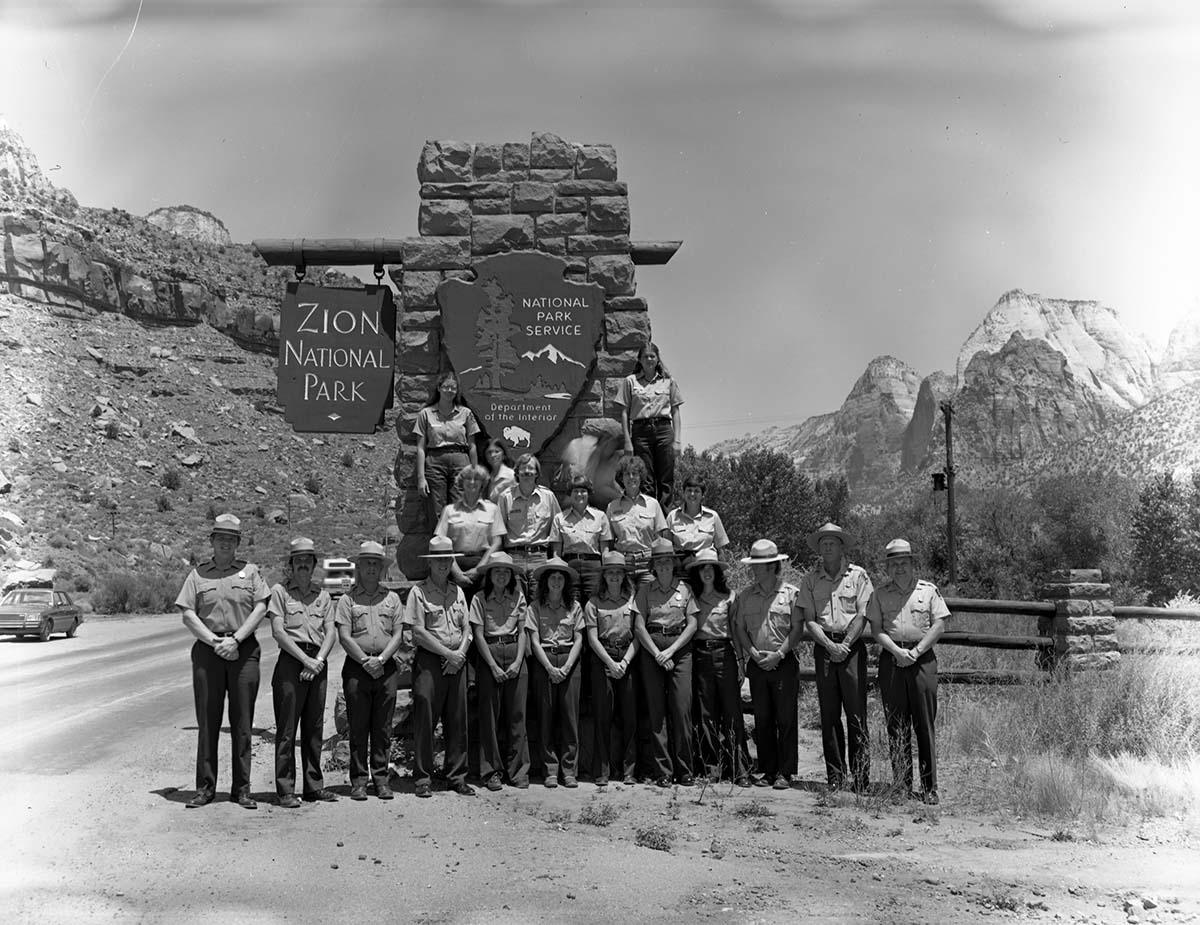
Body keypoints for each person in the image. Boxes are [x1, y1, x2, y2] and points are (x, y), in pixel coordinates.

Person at [176, 513, 270, 809]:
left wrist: (236, 640)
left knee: (242, 723)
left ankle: (241, 789)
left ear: (238, 543)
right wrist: (215, 641)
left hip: (243, 650)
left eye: (232, 539)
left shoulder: (251, 572)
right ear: (212, 541)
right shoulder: (198, 575)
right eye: (221, 538)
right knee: (208, 722)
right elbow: (188, 613)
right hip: (209, 650)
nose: (226, 543)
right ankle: (205, 788)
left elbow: (261, 607)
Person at [866, 538, 950, 805]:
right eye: (894, 564)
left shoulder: (928, 591)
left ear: (913, 564)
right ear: (888, 568)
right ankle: (901, 784)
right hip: (892, 660)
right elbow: (876, 629)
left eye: (904, 563)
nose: (899, 568)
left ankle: (929, 787)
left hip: (922, 660)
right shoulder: (879, 594)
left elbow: (939, 625)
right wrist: (897, 652)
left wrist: (915, 652)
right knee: (896, 725)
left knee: (924, 724)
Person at [798, 522, 874, 793]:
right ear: (819, 548)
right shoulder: (810, 579)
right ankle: (835, 775)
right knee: (829, 715)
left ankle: (862, 777)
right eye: (823, 543)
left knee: (856, 715)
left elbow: (863, 614)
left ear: (842, 546)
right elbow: (809, 620)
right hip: (825, 648)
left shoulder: (859, 576)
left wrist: (846, 644)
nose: (828, 547)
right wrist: (830, 645)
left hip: (852, 648)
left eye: (833, 542)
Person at [268, 537, 339, 807]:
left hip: (317, 660)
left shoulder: (322, 595)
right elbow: (278, 632)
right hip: (291, 661)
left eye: (307, 561)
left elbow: (331, 631)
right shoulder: (280, 592)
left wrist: (318, 660)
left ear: (314, 564)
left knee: (314, 728)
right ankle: (285, 789)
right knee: (287, 728)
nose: (303, 566)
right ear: (291, 565)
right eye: (298, 561)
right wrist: (305, 661)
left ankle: (313, 786)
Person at [404, 535, 475, 798]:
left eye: (447, 559)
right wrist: (448, 654)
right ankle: (423, 777)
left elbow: (467, 628)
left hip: (457, 661)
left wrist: (460, 654)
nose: (443, 564)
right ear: (430, 563)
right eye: (438, 560)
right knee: (425, 717)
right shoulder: (418, 592)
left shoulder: (458, 592)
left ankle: (456, 775)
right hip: (431, 662)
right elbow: (418, 633)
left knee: (458, 720)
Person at [335, 541, 405, 801]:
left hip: (386, 668)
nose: (372, 568)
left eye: (377, 563)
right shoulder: (347, 600)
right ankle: (359, 781)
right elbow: (344, 635)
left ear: (382, 568)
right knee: (358, 727)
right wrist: (366, 660)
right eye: (367, 563)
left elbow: (398, 634)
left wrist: (382, 659)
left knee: (383, 727)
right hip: (357, 668)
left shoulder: (393, 599)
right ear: (359, 567)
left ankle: (381, 779)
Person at [731, 538, 803, 790]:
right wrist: (751, 652)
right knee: (763, 719)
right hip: (757, 663)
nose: (755, 570)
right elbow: (739, 628)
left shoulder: (791, 594)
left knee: (786, 719)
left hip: (783, 662)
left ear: (773, 566)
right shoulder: (746, 596)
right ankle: (768, 770)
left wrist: (779, 655)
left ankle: (785, 771)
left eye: (759, 565)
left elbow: (797, 629)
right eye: (754, 565)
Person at [635, 539, 699, 787]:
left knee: (682, 710)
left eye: (667, 561)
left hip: (680, 650)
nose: (663, 565)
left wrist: (671, 651)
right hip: (652, 651)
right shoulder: (645, 591)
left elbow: (692, 623)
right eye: (659, 561)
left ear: (673, 564)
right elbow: (639, 625)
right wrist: (656, 653)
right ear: (653, 565)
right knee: (657, 712)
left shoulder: (685, 589)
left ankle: (685, 770)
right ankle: (663, 771)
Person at [685, 548, 750, 787]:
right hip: (700, 654)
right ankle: (711, 768)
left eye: (711, 567)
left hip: (725, 654)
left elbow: (735, 631)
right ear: (698, 572)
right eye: (703, 567)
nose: (707, 572)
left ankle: (739, 768)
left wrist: (741, 661)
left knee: (732, 711)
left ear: (717, 571)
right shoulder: (692, 597)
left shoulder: (730, 597)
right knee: (705, 713)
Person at [469, 552, 530, 791]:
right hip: (489, 654)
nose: (502, 575)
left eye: (506, 571)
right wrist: (492, 666)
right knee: (489, 716)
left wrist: (517, 662)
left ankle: (518, 770)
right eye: (497, 571)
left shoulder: (518, 597)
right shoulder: (479, 599)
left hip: (515, 652)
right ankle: (491, 771)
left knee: (518, 715)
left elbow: (523, 630)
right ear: (490, 575)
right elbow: (478, 634)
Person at [526, 557, 585, 788]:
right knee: (546, 717)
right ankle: (550, 770)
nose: (557, 581)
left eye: (561, 578)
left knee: (570, 718)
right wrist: (550, 668)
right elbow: (533, 640)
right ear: (546, 581)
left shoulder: (574, 606)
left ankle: (569, 770)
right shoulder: (535, 607)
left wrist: (568, 666)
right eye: (553, 577)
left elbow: (579, 638)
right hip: (545, 662)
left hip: (570, 660)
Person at [583, 551, 641, 787]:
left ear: (624, 576)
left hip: (628, 656)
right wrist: (610, 663)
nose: (615, 577)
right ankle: (602, 770)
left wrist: (625, 662)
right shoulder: (593, 603)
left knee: (630, 716)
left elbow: (639, 634)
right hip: (603, 658)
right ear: (604, 576)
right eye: (610, 573)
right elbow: (592, 638)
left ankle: (629, 770)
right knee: (602, 715)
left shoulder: (633, 599)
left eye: (619, 573)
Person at [614, 341, 683, 507]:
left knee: (666, 479)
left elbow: (675, 412)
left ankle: (665, 522)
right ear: (639, 360)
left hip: (664, 430)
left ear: (658, 359)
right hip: (641, 432)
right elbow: (624, 412)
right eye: (645, 356)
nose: (649, 359)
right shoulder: (630, 382)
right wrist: (627, 441)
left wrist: (677, 441)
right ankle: (649, 517)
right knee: (645, 478)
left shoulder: (668, 381)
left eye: (652, 356)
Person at [413, 370, 480, 529]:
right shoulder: (426, 414)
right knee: (437, 508)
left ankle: (459, 549)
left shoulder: (466, 413)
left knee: (461, 506)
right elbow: (420, 447)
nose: (450, 391)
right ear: (439, 388)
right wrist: (421, 478)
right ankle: (439, 549)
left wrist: (474, 473)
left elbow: (472, 446)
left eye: (453, 388)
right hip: (435, 462)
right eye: (446, 387)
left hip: (461, 461)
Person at [497, 453, 561, 598]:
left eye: (531, 468)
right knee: (514, 602)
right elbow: (499, 532)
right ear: (517, 472)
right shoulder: (505, 497)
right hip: (514, 557)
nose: (527, 471)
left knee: (539, 601)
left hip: (540, 557)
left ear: (537, 473)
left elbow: (557, 530)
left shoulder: (548, 497)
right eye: (523, 468)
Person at [435, 464, 504, 597]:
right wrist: (456, 573)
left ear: (482, 483)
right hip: (454, 565)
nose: (472, 482)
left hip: (484, 565)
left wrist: (479, 569)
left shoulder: (493, 509)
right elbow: (441, 542)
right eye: (468, 478)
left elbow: (497, 542)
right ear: (462, 482)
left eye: (477, 479)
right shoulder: (449, 510)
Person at [550, 473, 612, 606]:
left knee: (594, 604)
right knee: (571, 604)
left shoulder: (600, 517)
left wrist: (605, 573)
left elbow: (605, 550)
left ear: (589, 493)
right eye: (575, 491)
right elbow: (556, 553)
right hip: (570, 566)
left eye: (583, 491)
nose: (579, 494)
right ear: (570, 494)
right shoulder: (559, 518)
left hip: (594, 566)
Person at [606, 455, 669, 584]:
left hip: (647, 563)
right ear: (621, 478)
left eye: (634, 474)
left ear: (641, 477)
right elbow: (609, 541)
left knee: (649, 601)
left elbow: (660, 539)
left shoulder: (653, 504)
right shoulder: (612, 506)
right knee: (625, 602)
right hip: (623, 563)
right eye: (626, 474)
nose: (631, 477)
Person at [667, 474, 729, 579]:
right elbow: (667, 548)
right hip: (681, 570)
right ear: (683, 493)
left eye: (696, 491)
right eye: (689, 490)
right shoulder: (672, 516)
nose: (692, 494)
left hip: (706, 570)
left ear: (702, 495)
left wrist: (722, 577)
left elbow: (720, 550)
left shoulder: (713, 516)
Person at [483, 438, 516, 505]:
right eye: (489, 452)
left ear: (503, 455)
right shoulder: (487, 477)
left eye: (497, 452)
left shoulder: (511, 475)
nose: (493, 455)